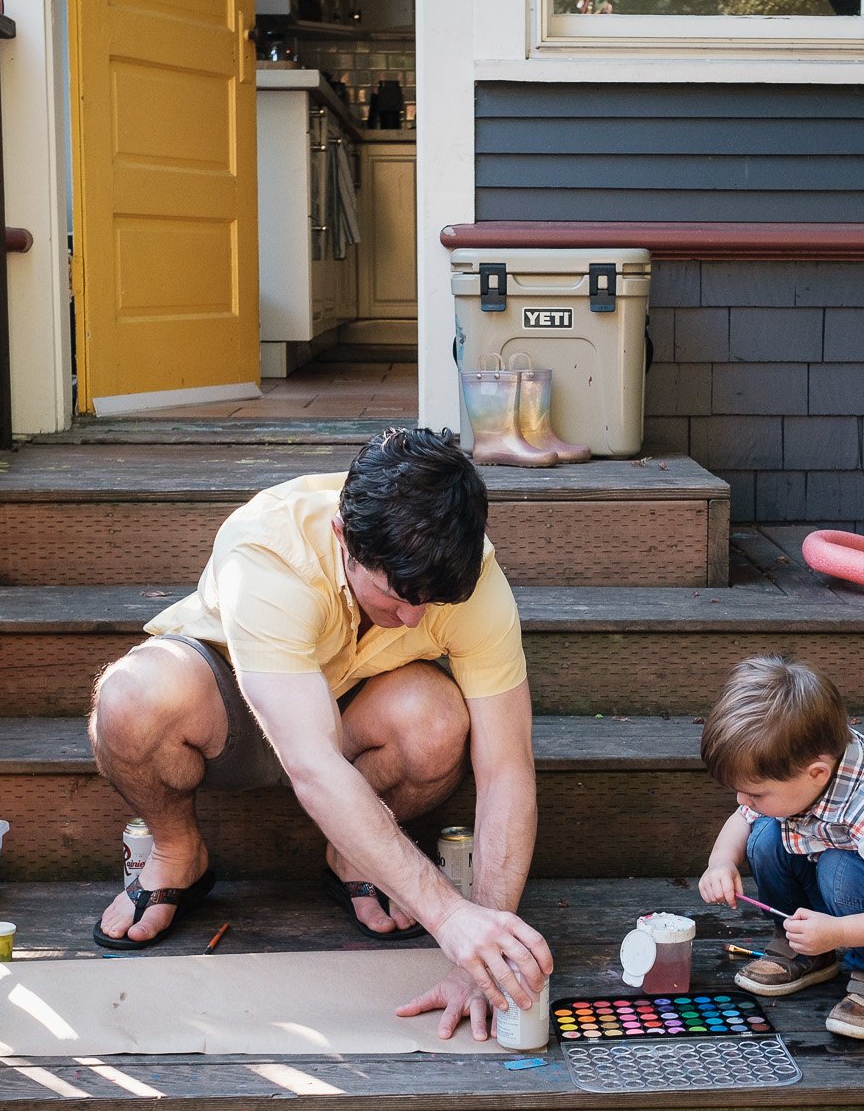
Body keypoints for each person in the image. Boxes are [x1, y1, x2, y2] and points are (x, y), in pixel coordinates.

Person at [87, 428, 552, 1040]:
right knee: (129, 699)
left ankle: (351, 852)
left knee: (438, 722)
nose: (413, 617)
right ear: (343, 538)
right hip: (238, 722)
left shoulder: (470, 575)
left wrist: (483, 956)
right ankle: (179, 853)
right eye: (397, 595)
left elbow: (507, 769)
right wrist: (450, 918)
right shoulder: (268, 554)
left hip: (359, 719)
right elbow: (310, 766)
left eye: (432, 601)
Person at [696, 655, 864, 1039]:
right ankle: (809, 950)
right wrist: (721, 862)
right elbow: (742, 821)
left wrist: (839, 931)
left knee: (838, 869)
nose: (743, 800)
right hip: (855, 907)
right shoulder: (796, 773)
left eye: (756, 792)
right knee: (763, 836)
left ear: (816, 774)